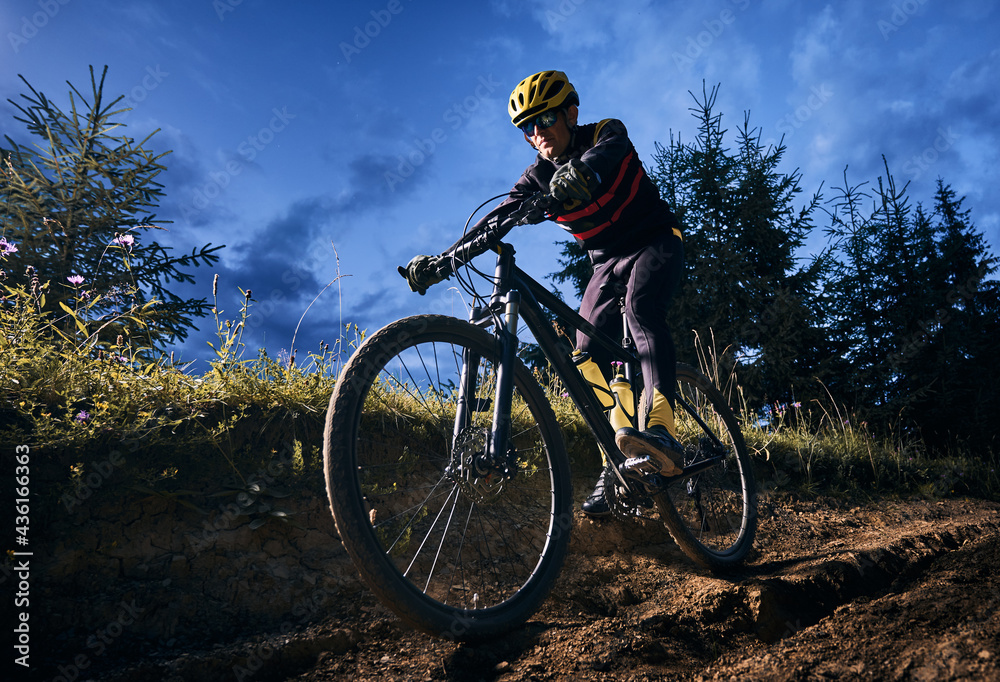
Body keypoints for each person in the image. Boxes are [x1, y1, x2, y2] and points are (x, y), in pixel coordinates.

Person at [402, 70, 685, 518]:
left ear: (571, 113)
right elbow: (496, 220)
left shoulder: (605, 133)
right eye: (525, 127)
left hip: (654, 240)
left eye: (545, 118)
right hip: (604, 262)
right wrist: (443, 261)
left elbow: (608, 154)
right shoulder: (537, 176)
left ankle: (662, 429)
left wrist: (580, 173)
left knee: (640, 311)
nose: (536, 133)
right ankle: (621, 464)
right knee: (586, 354)